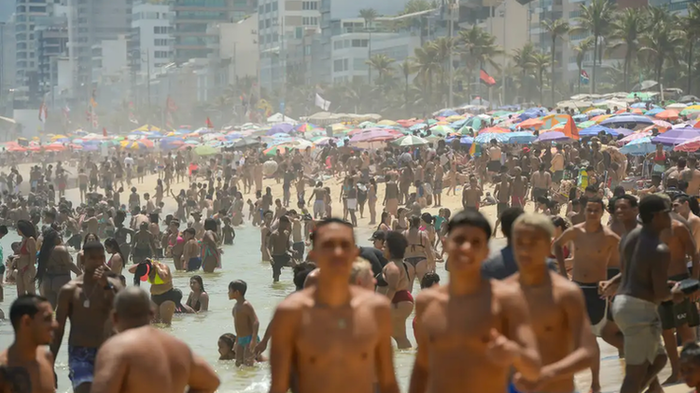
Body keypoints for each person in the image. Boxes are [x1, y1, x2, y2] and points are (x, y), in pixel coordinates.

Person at [409, 210, 541, 393]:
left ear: (487, 251)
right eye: (460, 240)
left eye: (476, 242)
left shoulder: (507, 300)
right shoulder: (426, 302)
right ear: (446, 244)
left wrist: (512, 352)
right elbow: (421, 370)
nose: (466, 248)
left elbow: (534, 367)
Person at [268, 218, 399, 393]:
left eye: (345, 245)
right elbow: (279, 386)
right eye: (328, 245)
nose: (337, 252)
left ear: (354, 253)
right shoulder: (291, 312)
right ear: (314, 254)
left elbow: (388, 382)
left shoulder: (376, 309)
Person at [602, 195, 684, 393]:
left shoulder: (630, 237)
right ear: (655, 217)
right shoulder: (660, 249)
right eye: (667, 212)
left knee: (659, 358)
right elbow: (660, 293)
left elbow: (630, 271)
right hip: (640, 309)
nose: (670, 216)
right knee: (633, 375)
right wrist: (675, 293)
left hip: (622, 302)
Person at [509, 213, 597, 393]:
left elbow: (589, 351)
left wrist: (548, 373)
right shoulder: (502, 294)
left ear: (546, 245)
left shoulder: (566, 295)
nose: (525, 250)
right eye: (520, 243)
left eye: (533, 243)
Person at [89, 287, 220, 393]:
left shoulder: (116, 348)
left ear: (115, 317)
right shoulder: (178, 346)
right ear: (152, 314)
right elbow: (211, 382)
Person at [552, 197, 620, 393]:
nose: (592, 214)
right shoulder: (575, 231)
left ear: (602, 212)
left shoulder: (608, 236)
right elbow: (557, 245)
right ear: (585, 211)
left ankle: (596, 382)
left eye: (596, 211)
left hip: (597, 291)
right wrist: (564, 274)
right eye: (589, 210)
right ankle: (569, 381)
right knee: (571, 335)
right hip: (577, 288)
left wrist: (614, 281)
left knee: (594, 337)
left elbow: (630, 254)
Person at [52, 241, 122, 393]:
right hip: (80, 352)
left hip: (108, 350)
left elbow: (121, 313)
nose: (98, 262)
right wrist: (49, 364)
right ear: (83, 260)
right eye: (93, 258)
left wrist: (106, 286)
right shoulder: (69, 290)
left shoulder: (114, 284)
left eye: (101, 258)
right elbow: (58, 329)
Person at [0, 295, 58, 393]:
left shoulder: (46, 357)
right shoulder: (4, 369)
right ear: (26, 321)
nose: (55, 324)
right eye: (47, 319)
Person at [376, 231, 413, 349]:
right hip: (400, 301)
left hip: (396, 302)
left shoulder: (392, 267)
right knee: (399, 336)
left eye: (385, 246)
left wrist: (383, 306)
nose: (382, 248)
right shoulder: (400, 264)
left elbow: (393, 287)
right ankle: (406, 358)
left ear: (391, 249)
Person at [35, 229, 81, 308]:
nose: (60, 237)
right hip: (61, 280)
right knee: (65, 309)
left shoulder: (44, 250)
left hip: (48, 281)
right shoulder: (61, 249)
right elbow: (69, 264)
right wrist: (80, 274)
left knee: (51, 309)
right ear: (53, 239)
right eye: (58, 236)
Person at [228, 280, 260, 367]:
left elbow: (255, 322)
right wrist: (236, 341)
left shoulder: (246, 305)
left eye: (230, 290)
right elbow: (238, 326)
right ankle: (240, 381)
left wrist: (253, 340)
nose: (228, 293)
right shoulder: (235, 307)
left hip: (249, 338)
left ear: (237, 292)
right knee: (238, 363)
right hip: (240, 339)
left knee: (248, 363)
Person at [15, 219, 37, 296]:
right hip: (20, 269)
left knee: (31, 294)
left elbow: (33, 257)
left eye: (17, 228)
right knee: (20, 295)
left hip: (27, 269)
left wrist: (31, 271)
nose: (16, 230)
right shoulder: (23, 240)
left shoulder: (30, 240)